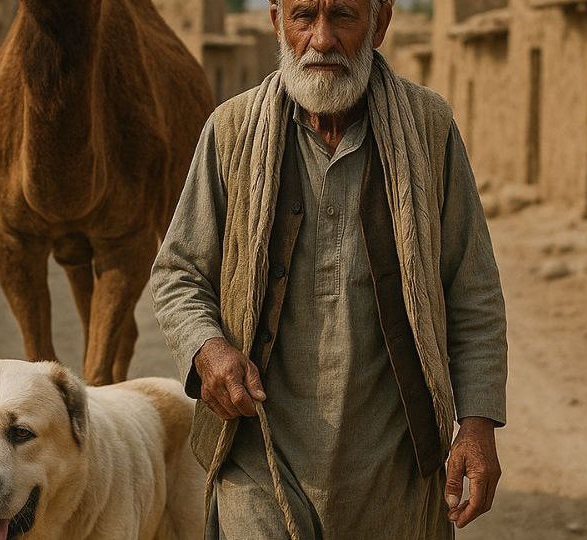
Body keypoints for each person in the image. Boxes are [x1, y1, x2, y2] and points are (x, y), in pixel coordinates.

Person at [151, 0, 507, 537]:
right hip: (260, 455)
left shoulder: (429, 129)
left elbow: (472, 289)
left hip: (393, 467)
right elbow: (179, 270)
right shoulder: (231, 130)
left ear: (380, 22)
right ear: (277, 22)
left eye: (343, 15)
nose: (321, 39)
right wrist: (209, 348)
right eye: (303, 17)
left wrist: (477, 422)